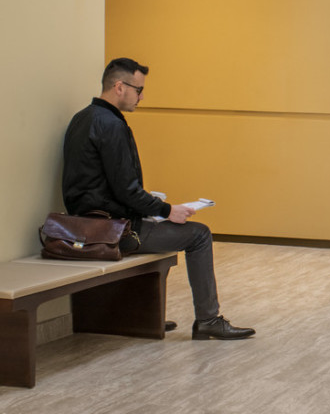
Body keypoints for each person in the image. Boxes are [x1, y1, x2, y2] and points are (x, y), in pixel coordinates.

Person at [62, 58, 255, 341]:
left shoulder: (83, 117)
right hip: (114, 231)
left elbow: (104, 186)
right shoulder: (112, 125)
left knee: (162, 227)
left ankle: (144, 317)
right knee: (199, 235)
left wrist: (151, 206)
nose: (142, 96)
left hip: (87, 224)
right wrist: (167, 210)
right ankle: (208, 320)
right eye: (138, 90)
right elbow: (126, 190)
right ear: (119, 87)